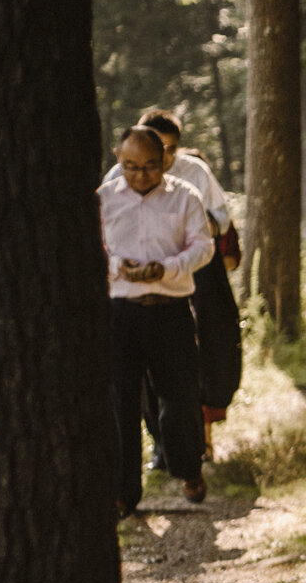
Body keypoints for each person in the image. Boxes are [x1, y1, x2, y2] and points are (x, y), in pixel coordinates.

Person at [103, 109, 243, 459]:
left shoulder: (193, 175)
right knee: (135, 384)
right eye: (154, 148)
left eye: (170, 149)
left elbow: (219, 223)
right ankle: (156, 452)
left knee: (198, 365)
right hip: (128, 294)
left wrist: (175, 257)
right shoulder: (113, 184)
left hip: (195, 279)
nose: (162, 157)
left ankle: (196, 447)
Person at [99, 125, 214, 517]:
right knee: (120, 404)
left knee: (179, 398)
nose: (140, 175)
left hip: (171, 311)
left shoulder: (185, 196)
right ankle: (123, 493)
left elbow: (203, 246)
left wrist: (165, 269)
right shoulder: (103, 200)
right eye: (131, 166)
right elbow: (92, 246)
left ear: (165, 158)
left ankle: (187, 468)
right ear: (119, 160)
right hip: (120, 314)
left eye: (149, 166)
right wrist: (118, 266)